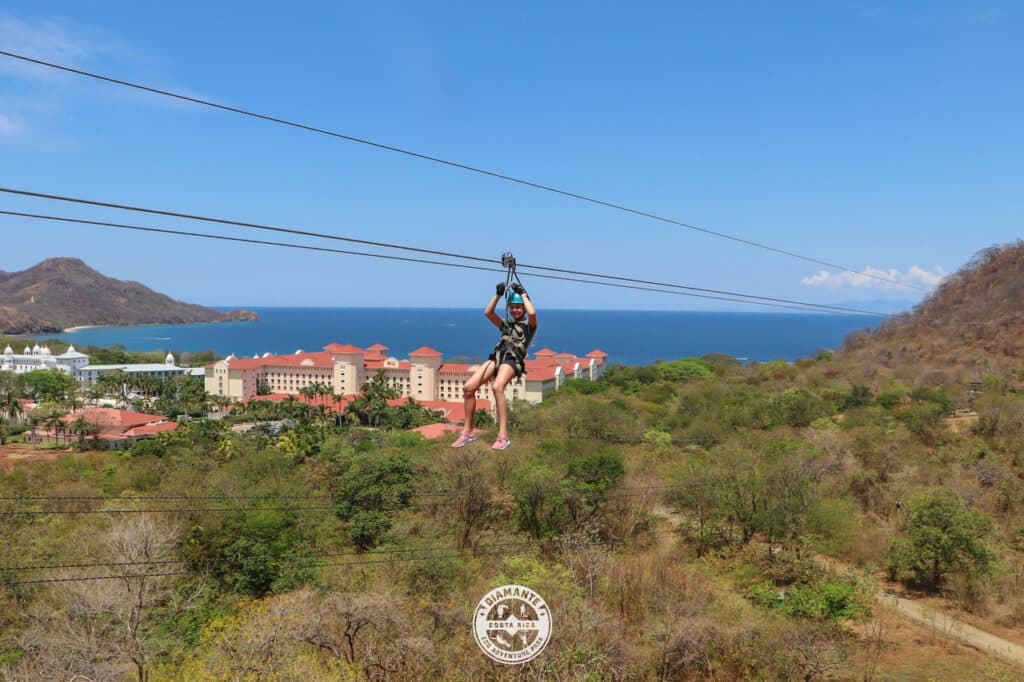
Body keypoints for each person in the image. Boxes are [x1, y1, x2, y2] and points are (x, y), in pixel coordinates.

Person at [451, 281, 537, 450]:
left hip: (512, 361)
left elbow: (533, 313)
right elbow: (488, 312)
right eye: (512, 307)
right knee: (468, 388)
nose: (515, 310)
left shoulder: (529, 326)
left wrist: (524, 294)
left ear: (524, 308)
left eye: (519, 307)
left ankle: (503, 435)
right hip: (497, 358)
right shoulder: (506, 326)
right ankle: (468, 432)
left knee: (497, 387)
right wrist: (498, 294)